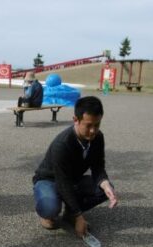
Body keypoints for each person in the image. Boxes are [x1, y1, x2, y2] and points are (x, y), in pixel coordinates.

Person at [32, 96, 118, 238]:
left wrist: (105, 183)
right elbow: (62, 182)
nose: (93, 131)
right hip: (49, 180)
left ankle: (70, 213)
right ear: (76, 120)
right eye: (88, 125)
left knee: (105, 190)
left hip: (72, 179)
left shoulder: (98, 137)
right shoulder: (62, 144)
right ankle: (48, 212)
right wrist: (79, 216)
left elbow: (98, 166)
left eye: (97, 125)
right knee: (50, 208)